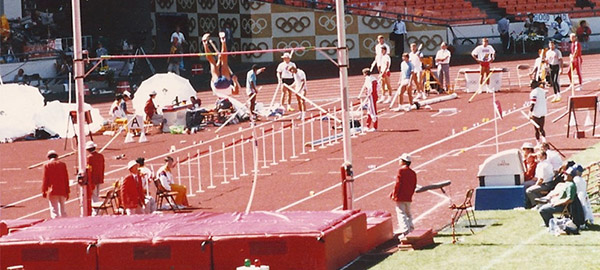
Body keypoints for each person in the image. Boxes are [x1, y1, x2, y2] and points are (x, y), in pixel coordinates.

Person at [390, 153, 417, 239]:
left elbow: (398, 183)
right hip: (408, 196)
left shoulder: (401, 171)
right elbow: (414, 185)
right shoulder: (413, 173)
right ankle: (411, 229)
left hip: (401, 195)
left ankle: (405, 231)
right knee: (408, 213)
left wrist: (394, 194)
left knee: (401, 213)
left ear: (404, 161)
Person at [42, 150, 70, 218]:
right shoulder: (62, 165)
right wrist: (67, 190)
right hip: (62, 189)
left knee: (54, 210)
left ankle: (56, 224)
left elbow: (45, 179)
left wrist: (44, 191)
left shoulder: (47, 165)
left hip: (52, 190)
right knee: (63, 210)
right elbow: (66, 178)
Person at [85, 141, 105, 206]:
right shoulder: (100, 156)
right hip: (99, 177)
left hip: (92, 179)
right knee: (97, 194)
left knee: (94, 196)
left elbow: (89, 169)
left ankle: (95, 211)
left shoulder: (89, 158)